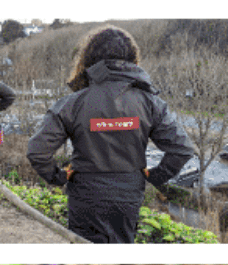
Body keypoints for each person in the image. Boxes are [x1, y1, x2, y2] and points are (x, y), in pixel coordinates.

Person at [27, 26, 195, 243]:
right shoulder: (150, 103)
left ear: (89, 59)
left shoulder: (72, 104)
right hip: (127, 196)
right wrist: (155, 176)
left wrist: (57, 176)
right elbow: (182, 149)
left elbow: (37, 151)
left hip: (85, 195)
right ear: (132, 59)